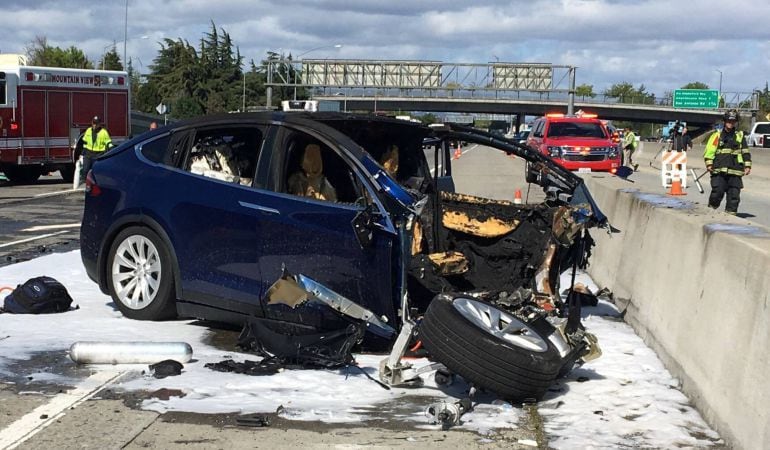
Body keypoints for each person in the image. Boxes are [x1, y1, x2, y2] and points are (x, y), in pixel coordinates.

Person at [703, 109, 751, 215]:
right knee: (717, 193)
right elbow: (709, 151)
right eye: (729, 121)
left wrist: (747, 165)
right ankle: (710, 212)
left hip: (735, 170)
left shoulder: (740, 136)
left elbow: (745, 151)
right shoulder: (717, 135)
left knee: (734, 197)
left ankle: (730, 218)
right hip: (719, 169)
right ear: (725, 121)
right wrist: (709, 164)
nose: (731, 123)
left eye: (733, 121)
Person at [80, 116, 112, 184]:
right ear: (92, 123)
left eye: (96, 123)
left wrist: (111, 149)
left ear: (99, 124)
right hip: (88, 153)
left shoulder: (104, 132)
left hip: (98, 154)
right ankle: (83, 183)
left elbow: (108, 142)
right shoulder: (88, 130)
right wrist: (83, 152)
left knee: (95, 171)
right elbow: (85, 142)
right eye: (94, 123)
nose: (95, 125)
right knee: (85, 169)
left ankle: (96, 183)